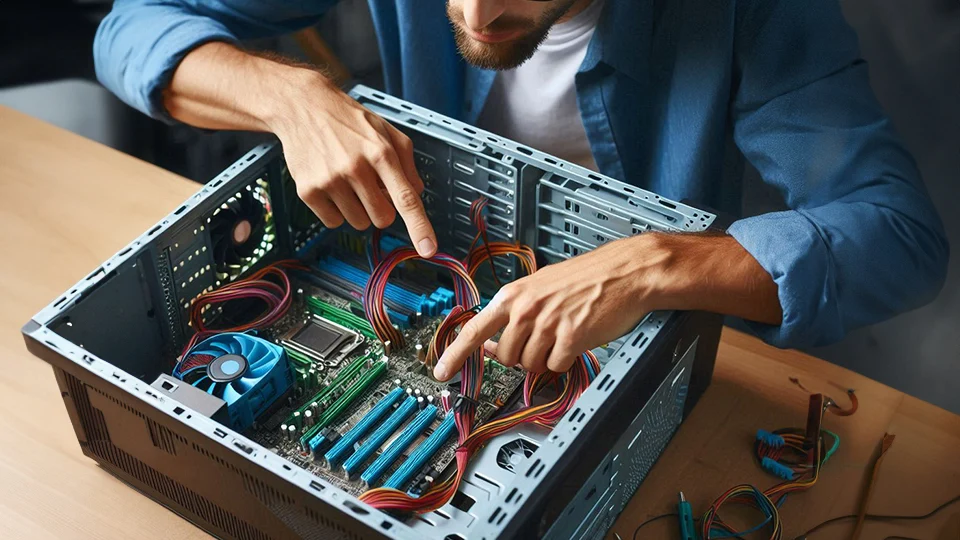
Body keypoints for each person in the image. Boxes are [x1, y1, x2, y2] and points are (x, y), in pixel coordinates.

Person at [94, 0, 948, 382]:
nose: (472, 12)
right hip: (431, 267)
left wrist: (651, 265)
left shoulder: (753, 10)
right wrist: (292, 97)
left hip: (627, 330)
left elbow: (899, 237)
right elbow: (131, 26)